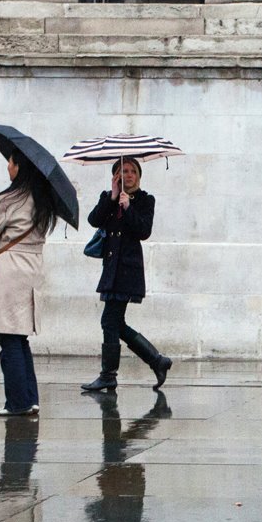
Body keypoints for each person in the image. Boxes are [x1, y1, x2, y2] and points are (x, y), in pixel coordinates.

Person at [80, 157, 172, 393]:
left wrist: (128, 207)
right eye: (123, 171)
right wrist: (112, 198)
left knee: (109, 321)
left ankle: (108, 375)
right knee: (115, 322)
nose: (128, 175)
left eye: (132, 171)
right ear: (115, 177)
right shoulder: (108, 198)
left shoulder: (144, 200)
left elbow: (144, 231)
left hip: (128, 271)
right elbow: (93, 220)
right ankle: (156, 361)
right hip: (111, 270)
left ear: (139, 176)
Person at [0, 153, 55, 417]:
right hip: (32, 269)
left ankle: (17, 402)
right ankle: (29, 398)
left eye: (11, 162)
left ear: (20, 167)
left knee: (8, 338)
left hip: (10, 269)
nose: (8, 167)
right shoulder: (44, 200)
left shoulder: (10, 199)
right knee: (20, 338)